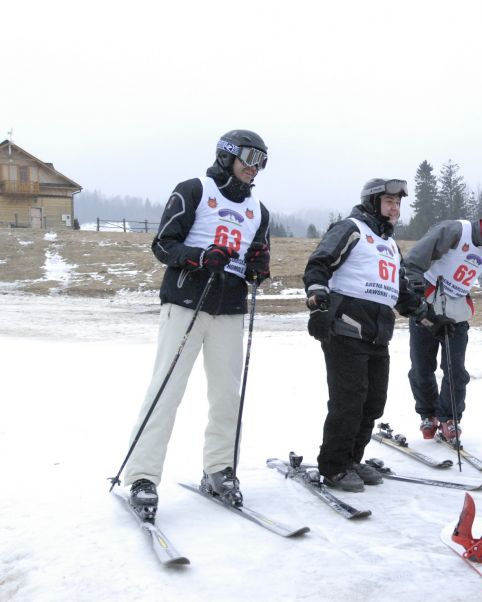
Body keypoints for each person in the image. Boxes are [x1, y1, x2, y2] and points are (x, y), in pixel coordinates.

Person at [122, 130, 272, 516]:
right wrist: (200, 257)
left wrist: (257, 267)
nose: (254, 169)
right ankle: (142, 476)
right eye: (249, 158)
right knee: (167, 389)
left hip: (229, 309)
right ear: (227, 156)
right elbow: (163, 244)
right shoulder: (194, 190)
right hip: (186, 303)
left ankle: (219, 470)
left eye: (261, 162)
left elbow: (258, 255)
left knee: (226, 396)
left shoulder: (259, 211)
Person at [303, 178, 423, 492]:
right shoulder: (352, 229)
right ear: (372, 202)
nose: (395, 207)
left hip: (377, 334)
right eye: (389, 201)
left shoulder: (390, 245)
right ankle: (333, 466)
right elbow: (319, 264)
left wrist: (425, 313)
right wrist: (317, 299)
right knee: (348, 402)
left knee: (372, 403)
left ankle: (353, 458)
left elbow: (400, 291)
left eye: (398, 203)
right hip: (346, 328)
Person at [403, 214, 482, 443]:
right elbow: (414, 260)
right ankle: (428, 414)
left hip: (457, 313)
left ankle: (450, 417)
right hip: (428, 309)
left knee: (456, 370)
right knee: (422, 367)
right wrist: (414, 294)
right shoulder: (455, 231)